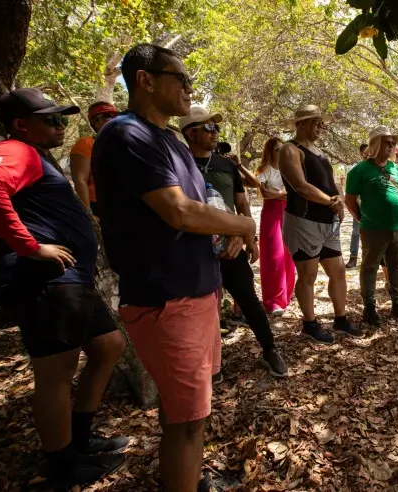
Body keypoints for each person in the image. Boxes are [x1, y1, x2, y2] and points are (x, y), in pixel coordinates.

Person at [92, 43, 255, 492]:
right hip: (166, 299)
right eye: (180, 78)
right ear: (145, 80)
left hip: (197, 291)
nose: (188, 87)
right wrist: (244, 224)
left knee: (186, 413)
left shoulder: (167, 140)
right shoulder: (128, 135)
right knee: (188, 421)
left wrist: (224, 237)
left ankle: (187, 477)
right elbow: (178, 211)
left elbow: (202, 206)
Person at [0, 88, 127, 491]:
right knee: (55, 374)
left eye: (61, 119)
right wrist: (30, 246)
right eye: (51, 119)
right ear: (22, 124)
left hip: (70, 280)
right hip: (46, 282)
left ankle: (78, 438)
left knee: (109, 345)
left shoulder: (33, 155)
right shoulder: (14, 150)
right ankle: (61, 466)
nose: (60, 125)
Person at [180, 107, 288, 378]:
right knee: (203, 306)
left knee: (249, 299)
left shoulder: (226, 164)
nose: (216, 132)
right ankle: (210, 365)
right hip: (194, 249)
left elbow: (241, 202)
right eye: (209, 128)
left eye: (216, 128)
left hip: (232, 245)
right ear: (190, 132)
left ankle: (270, 350)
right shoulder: (178, 165)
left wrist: (246, 238)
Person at [278, 104, 362, 344]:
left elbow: (333, 183)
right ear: (301, 123)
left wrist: (339, 202)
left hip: (328, 223)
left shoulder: (320, 152)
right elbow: (299, 186)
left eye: (321, 122)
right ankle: (309, 324)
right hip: (303, 221)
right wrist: (331, 202)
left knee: (338, 272)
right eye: (315, 122)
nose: (320, 126)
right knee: (308, 275)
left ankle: (340, 319)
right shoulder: (290, 149)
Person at [345, 126, 398, 327]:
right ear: (376, 144)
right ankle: (370, 308)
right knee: (370, 267)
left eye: (393, 143)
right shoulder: (359, 170)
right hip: (373, 229)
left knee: (396, 267)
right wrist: (362, 218)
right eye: (386, 143)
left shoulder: (396, 168)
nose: (390, 147)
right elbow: (350, 200)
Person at [255, 136, 295, 316]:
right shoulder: (264, 170)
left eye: (283, 149)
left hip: (289, 212)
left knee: (288, 253)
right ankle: (272, 301)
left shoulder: (289, 170)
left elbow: (293, 193)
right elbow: (264, 193)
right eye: (278, 149)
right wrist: (282, 194)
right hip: (271, 214)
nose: (281, 152)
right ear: (270, 151)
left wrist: (277, 194)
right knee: (273, 255)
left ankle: (287, 295)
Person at [69, 101, 119, 217]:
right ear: (94, 122)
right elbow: (80, 180)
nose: (112, 119)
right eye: (107, 116)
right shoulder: (87, 143)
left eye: (115, 116)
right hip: (98, 204)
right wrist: (88, 213)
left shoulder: (122, 143)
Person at [344, 143, 368, 269]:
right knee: (356, 233)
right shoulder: (357, 169)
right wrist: (358, 206)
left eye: (369, 151)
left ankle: (368, 258)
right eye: (365, 152)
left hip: (372, 208)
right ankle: (353, 258)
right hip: (359, 207)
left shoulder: (376, 168)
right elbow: (352, 194)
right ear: (361, 153)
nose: (367, 154)